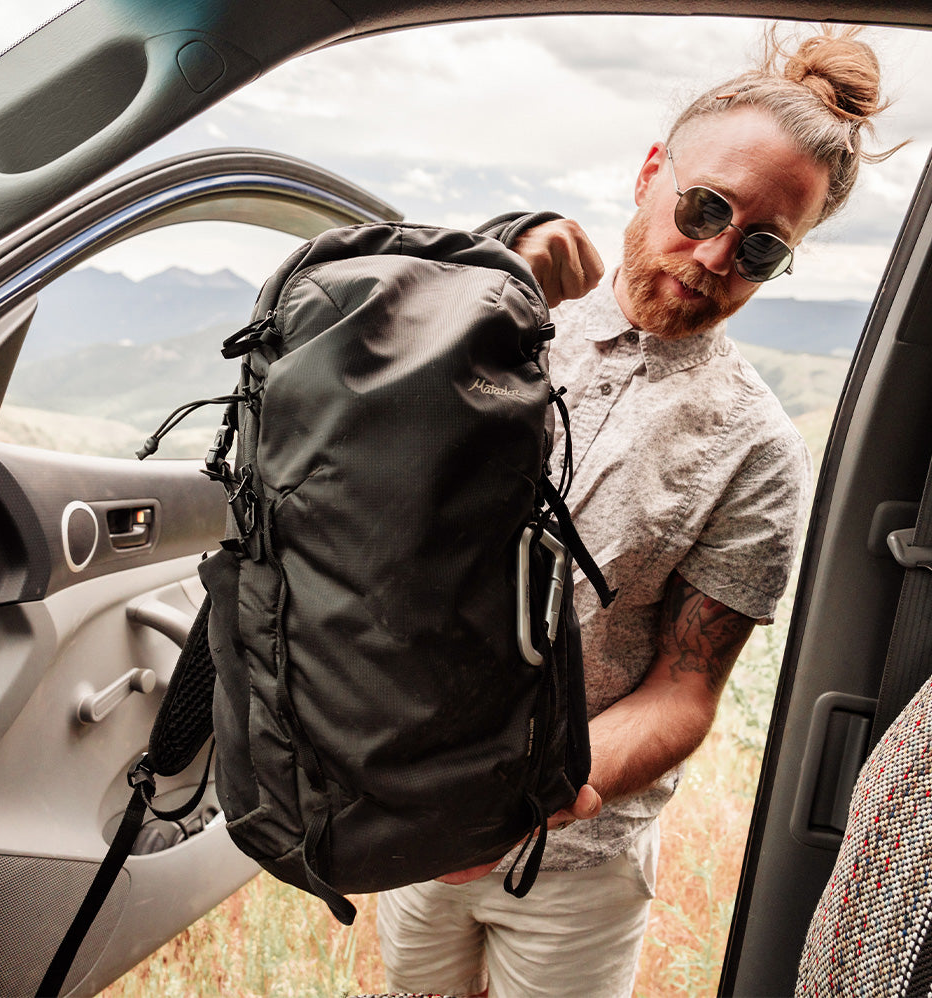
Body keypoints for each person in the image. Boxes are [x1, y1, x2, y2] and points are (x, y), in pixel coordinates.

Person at [376, 25, 900, 998]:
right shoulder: (507, 320)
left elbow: (684, 688)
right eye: (702, 206)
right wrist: (479, 297)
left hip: (577, 868)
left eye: (757, 247)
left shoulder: (756, 448)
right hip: (404, 813)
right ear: (650, 171)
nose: (710, 256)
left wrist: (523, 798)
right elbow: (368, 499)